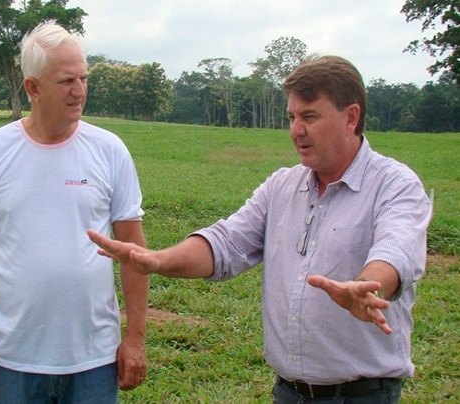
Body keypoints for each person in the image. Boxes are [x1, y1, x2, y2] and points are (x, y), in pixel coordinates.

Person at [88, 55, 433, 403]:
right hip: (288, 392)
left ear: (351, 117)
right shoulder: (282, 187)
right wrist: (159, 260)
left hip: (361, 395)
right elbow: (225, 244)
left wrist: (365, 286)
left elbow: (396, 249)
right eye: (292, 117)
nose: (297, 130)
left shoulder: (394, 185)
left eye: (310, 116)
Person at [0, 21, 148, 404]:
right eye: (66, 81)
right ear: (32, 88)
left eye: (84, 78)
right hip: (14, 360)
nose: (79, 91)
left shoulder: (109, 151)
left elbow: (134, 250)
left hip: (94, 358)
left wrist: (136, 338)